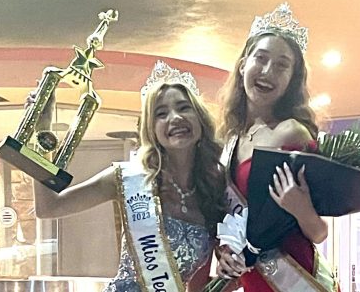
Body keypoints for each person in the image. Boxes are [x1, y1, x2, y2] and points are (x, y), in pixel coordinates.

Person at [30, 60, 226, 292]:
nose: (175, 118)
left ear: (200, 119)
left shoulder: (215, 191)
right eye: (161, 113)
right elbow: (48, 207)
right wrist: (40, 135)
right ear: (151, 130)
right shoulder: (127, 179)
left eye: (184, 108)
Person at [216, 3, 339, 292]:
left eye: (282, 65)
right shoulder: (230, 140)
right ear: (244, 63)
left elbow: (319, 231)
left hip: (292, 275)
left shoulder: (292, 133)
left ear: (291, 80)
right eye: (261, 58)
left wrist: (300, 207)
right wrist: (224, 254)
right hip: (252, 277)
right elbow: (228, 218)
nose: (268, 71)